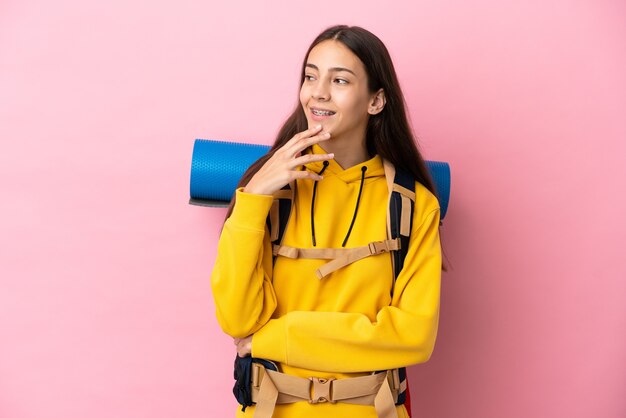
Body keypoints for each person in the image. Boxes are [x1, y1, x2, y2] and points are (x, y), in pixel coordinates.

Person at [211, 24, 442, 418]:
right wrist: (252, 200)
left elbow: (413, 336)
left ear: (376, 101)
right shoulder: (269, 190)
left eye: (339, 80)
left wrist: (276, 337)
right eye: (310, 76)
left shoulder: (414, 204)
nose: (318, 92)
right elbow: (237, 319)